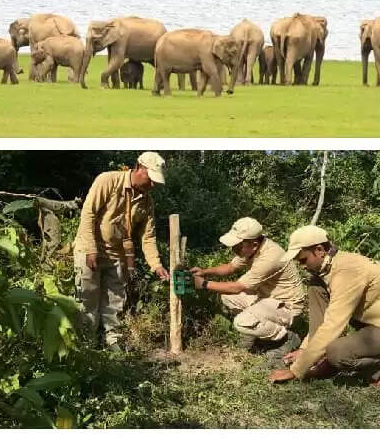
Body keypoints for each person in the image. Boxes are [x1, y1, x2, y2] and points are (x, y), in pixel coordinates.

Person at [268, 225, 380, 386]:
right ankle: (321, 357)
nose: (302, 266)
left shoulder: (347, 271)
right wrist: (305, 350)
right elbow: (320, 324)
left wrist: (296, 370)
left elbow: (333, 325)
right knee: (316, 286)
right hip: (372, 324)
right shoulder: (327, 272)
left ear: (319, 250)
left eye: (303, 260)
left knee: (337, 353)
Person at [73, 151, 169, 351]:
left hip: (117, 254)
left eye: (155, 183)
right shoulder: (108, 181)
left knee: (114, 300)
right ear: (138, 168)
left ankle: (112, 342)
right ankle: (87, 346)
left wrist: (156, 265)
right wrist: (91, 249)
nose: (152, 185)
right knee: (87, 299)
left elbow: (147, 237)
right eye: (150, 179)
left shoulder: (147, 201)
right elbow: (88, 213)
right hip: (91, 248)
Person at [191, 217, 305, 366]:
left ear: (254, 244)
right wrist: (205, 271)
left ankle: (287, 338)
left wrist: (204, 284)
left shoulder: (270, 257)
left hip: (287, 307)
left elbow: (237, 287)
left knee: (241, 322)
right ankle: (258, 332)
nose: (234, 249)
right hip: (267, 299)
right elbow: (230, 267)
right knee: (227, 297)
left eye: (238, 246)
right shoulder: (252, 249)